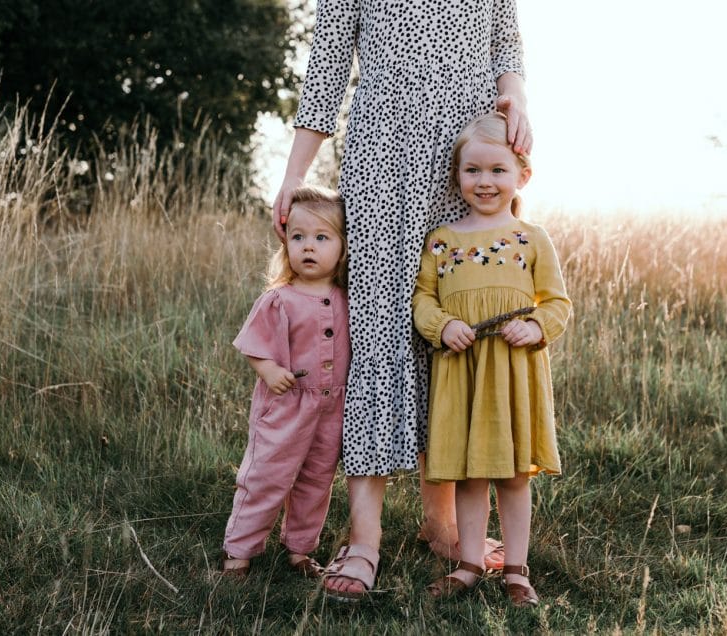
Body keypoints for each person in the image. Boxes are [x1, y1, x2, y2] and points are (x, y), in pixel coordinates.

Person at [271, 0, 533, 599]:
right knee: (383, 330)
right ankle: (365, 539)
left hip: (465, 161)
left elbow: (507, 49)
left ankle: (442, 524)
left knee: (451, 329)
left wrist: (516, 101)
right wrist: (293, 175)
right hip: (382, 157)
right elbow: (327, 73)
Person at [412, 112, 571, 604]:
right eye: (472, 170)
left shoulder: (531, 237)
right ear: (457, 176)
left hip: (511, 373)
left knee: (513, 474)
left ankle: (518, 570)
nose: (485, 181)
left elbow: (558, 302)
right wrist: (445, 326)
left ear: (522, 175)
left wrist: (536, 326)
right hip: (463, 371)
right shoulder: (442, 240)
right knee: (469, 472)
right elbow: (423, 299)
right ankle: (470, 563)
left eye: (498, 171)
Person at [221, 185, 350, 579]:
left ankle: (299, 548)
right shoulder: (280, 299)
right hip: (286, 404)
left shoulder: (346, 297)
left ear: (343, 248)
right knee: (267, 475)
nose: (308, 247)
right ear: (286, 245)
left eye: (321, 238)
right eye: (298, 237)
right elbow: (252, 344)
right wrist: (269, 370)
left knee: (317, 478)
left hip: (331, 408)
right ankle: (239, 551)